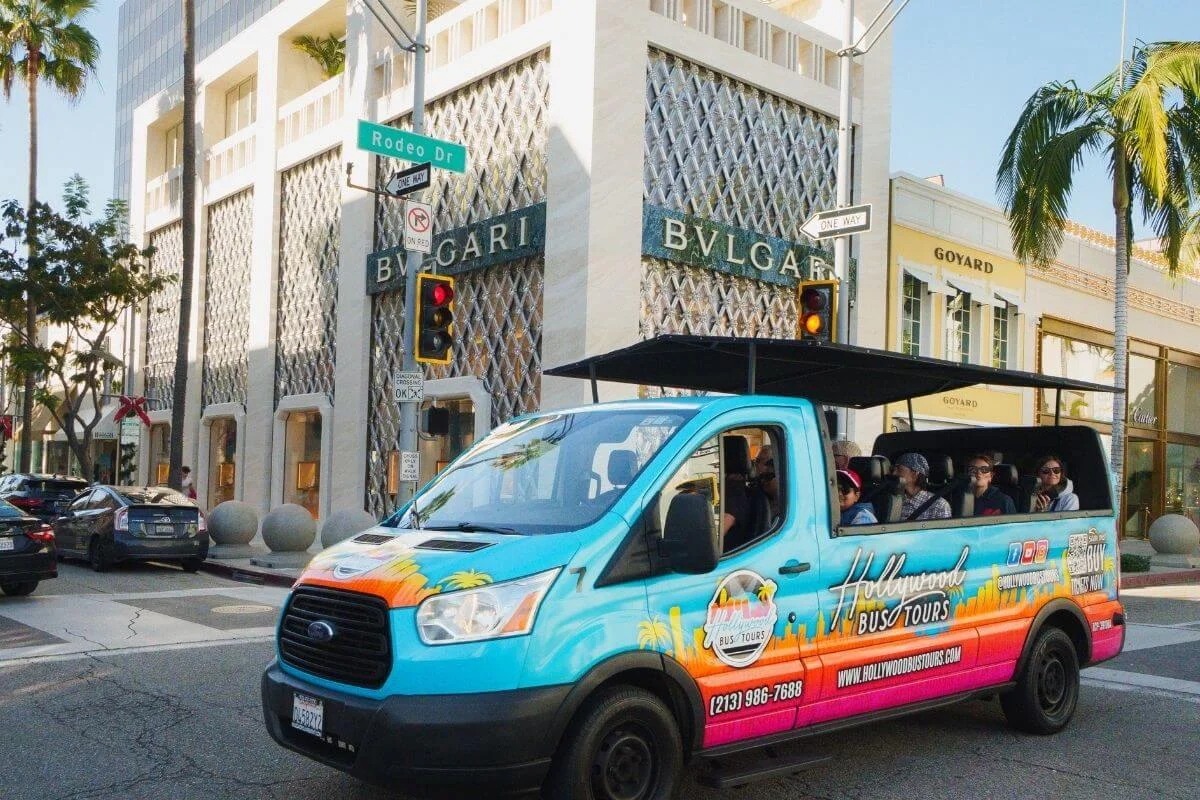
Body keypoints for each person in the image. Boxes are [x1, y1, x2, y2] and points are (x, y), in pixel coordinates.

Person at [893, 452, 951, 521]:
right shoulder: (893, 501)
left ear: (915, 474)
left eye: (899, 469)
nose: (894, 473)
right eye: (893, 470)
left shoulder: (939, 506)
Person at [751, 445, 781, 523]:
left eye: (758, 461)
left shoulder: (778, 485)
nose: (755, 464)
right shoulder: (756, 483)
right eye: (755, 461)